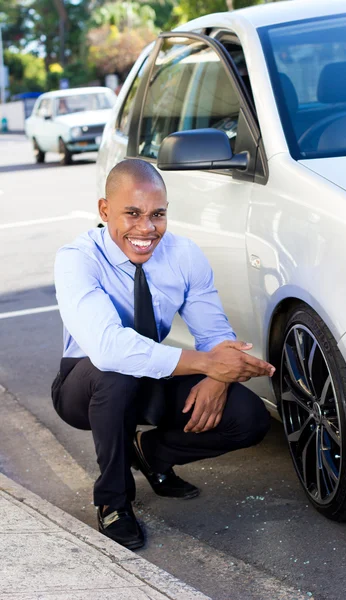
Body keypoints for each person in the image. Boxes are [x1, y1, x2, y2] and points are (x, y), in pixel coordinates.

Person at [51, 158, 275, 551]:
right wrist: (208, 364)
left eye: (158, 214)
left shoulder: (183, 254)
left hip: (154, 372)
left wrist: (218, 377)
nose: (146, 228)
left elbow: (215, 333)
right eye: (132, 214)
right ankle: (113, 500)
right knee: (115, 373)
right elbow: (107, 348)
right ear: (105, 211)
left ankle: (152, 453)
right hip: (85, 385)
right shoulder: (77, 259)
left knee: (249, 418)